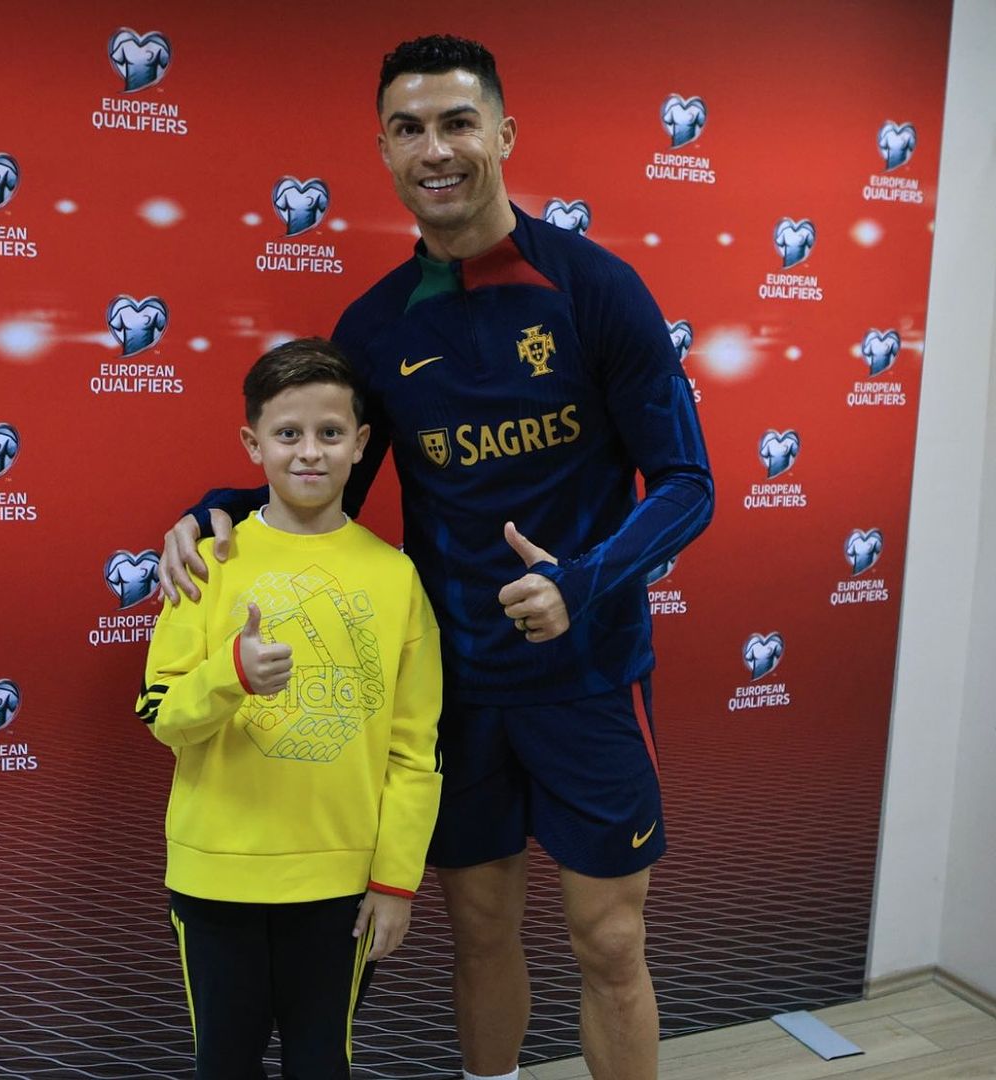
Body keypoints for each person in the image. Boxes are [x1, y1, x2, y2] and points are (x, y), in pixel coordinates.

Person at [160, 36, 713, 1080]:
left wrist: (578, 580)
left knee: (609, 942)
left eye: (458, 122)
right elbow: (326, 487)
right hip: (455, 693)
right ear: (383, 149)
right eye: (409, 129)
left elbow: (690, 483)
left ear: (502, 134)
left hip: (589, 680)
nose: (436, 148)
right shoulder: (372, 327)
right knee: (479, 938)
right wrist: (210, 509)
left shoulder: (594, 289)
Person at [138, 338, 442, 1080]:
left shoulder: (395, 575)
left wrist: (396, 881)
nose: (310, 453)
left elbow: (416, 748)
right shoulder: (206, 562)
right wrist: (231, 674)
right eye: (288, 434)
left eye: (330, 434)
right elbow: (161, 715)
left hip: (339, 892)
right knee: (225, 1063)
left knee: (321, 1064)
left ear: (361, 445)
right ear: (253, 443)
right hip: (218, 882)